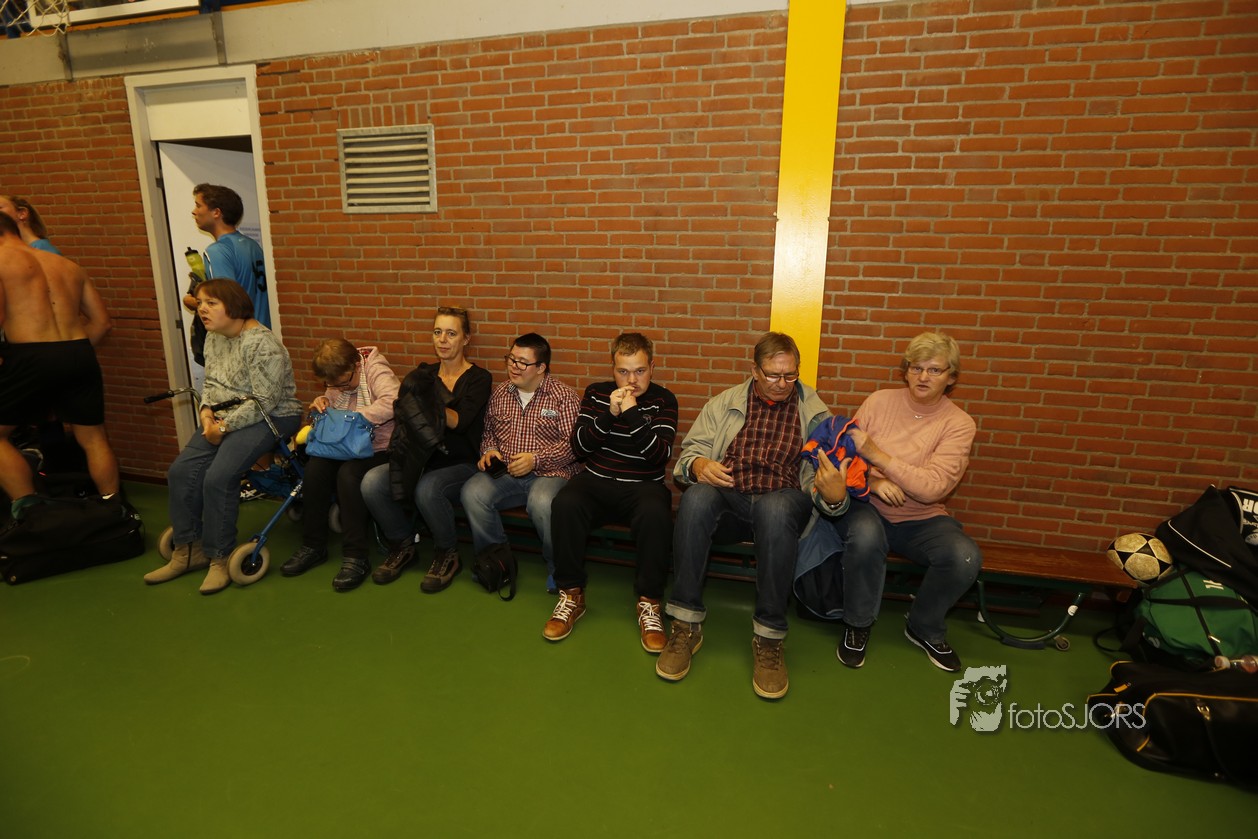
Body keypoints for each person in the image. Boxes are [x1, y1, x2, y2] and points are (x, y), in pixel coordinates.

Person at [658, 331, 840, 700]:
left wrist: (834, 494)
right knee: (696, 498)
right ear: (754, 371)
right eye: (773, 375)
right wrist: (699, 466)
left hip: (784, 499)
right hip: (732, 496)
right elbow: (688, 458)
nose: (782, 383)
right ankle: (685, 625)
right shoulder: (724, 403)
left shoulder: (816, 413)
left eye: (790, 375)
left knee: (775, 507)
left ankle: (769, 638)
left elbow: (828, 483)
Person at [819, 331, 981, 673]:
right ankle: (857, 624)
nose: (923, 377)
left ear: (951, 377)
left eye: (934, 370)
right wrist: (874, 482)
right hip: (867, 505)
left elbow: (933, 487)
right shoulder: (879, 402)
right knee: (866, 537)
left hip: (922, 516)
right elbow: (845, 458)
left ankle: (923, 625)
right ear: (905, 371)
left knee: (963, 556)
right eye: (916, 368)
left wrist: (878, 455)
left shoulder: (959, 424)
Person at [144, 279, 302, 594]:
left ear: (234, 306)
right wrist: (206, 412)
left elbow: (265, 401)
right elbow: (212, 383)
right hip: (224, 417)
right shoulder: (214, 337)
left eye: (211, 303)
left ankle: (220, 557)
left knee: (219, 477)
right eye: (200, 302)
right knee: (181, 471)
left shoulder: (262, 344)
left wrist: (224, 427)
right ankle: (188, 550)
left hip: (271, 416)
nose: (202, 309)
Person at [542, 333, 678, 651]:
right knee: (565, 503)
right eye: (623, 371)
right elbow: (579, 448)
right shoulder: (597, 393)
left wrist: (631, 413)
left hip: (643, 484)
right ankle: (572, 594)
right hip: (597, 479)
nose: (631, 380)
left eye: (640, 371)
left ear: (652, 367)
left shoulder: (664, 400)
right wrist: (609, 414)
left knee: (656, 513)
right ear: (613, 368)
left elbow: (658, 456)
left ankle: (649, 603)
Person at [361, 307, 492, 592]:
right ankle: (403, 544)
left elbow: (459, 422)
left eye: (451, 333)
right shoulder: (423, 374)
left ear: (466, 339)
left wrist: (425, 403)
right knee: (372, 482)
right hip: (422, 458)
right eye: (437, 332)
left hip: (462, 463)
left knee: (428, 488)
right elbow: (405, 417)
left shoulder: (479, 378)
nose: (442, 340)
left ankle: (447, 552)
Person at [0, 211, 116, 518]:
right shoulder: (67, 265)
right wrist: (66, 355)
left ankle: (31, 514)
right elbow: (102, 322)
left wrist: (42, 360)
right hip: (78, 351)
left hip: (30, 354)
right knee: (93, 438)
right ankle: (114, 507)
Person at [460, 332, 580, 592]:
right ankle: (496, 561)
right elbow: (489, 432)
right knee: (472, 492)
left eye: (523, 362)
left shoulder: (563, 397)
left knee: (542, 502)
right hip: (507, 473)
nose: (514, 366)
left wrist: (535, 460)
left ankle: (559, 569)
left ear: (541, 367)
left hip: (552, 474)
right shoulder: (501, 393)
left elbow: (574, 447)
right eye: (511, 359)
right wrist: (489, 450)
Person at [281, 339, 400, 591]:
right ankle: (313, 546)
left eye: (343, 383)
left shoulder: (374, 368)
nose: (339, 388)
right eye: (332, 384)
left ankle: (356, 557)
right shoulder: (338, 378)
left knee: (349, 476)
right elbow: (333, 398)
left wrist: (353, 419)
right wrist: (323, 401)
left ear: (355, 366)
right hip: (343, 445)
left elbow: (393, 401)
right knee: (314, 470)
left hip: (379, 447)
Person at [187, 184, 269, 328]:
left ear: (216, 213)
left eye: (198, 206)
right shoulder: (252, 245)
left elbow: (223, 303)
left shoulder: (217, 251)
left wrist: (194, 303)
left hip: (240, 334)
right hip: (263, 330)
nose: (194, 212)